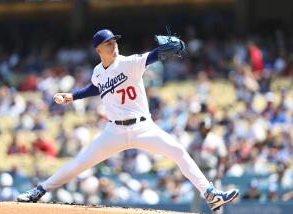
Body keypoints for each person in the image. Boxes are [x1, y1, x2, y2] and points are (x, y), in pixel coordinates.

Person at [17, 29, 239, 211]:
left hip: (144, 127)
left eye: (114, 41)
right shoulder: (97, 72)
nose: (113, 45)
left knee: (178, 151)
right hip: (114, 132)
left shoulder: (129, 62)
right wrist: (72, 96)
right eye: (108, 43)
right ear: (98, 49)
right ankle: (39, 190)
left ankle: (210, 194)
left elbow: (152, 56)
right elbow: (96, 87)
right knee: (79, 163)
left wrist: (165, 50)